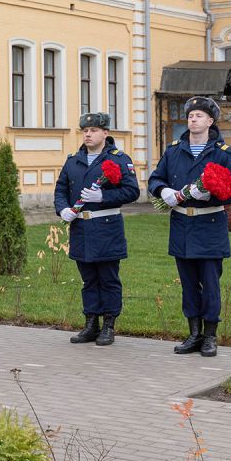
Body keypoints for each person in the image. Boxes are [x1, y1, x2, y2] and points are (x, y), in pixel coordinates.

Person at [147, 96, 231, 358]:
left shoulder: (224, 153)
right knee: (189, 284)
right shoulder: (174, 150)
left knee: (210, 284)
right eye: (190, 115)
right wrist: (164, 191)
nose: (193, 119)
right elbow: (155, 179)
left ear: (210, 121)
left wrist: (211, 196)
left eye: (199, 115)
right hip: (181, 225)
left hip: (209, 225)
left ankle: (210, 336)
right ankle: (194, 334)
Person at [54, 112, 141, 346]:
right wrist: (63, 210)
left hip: (106, 228)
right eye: (85, 131)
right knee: (88, 279)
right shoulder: (74, 160)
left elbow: (132, 191)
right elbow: (61, 189)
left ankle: (109, 325)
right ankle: (91, 323)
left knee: (108, 278)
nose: (88, 134)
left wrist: (104, 195)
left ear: (105, 133)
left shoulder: (119, 159)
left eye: (93, 130)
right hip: (81, 227)